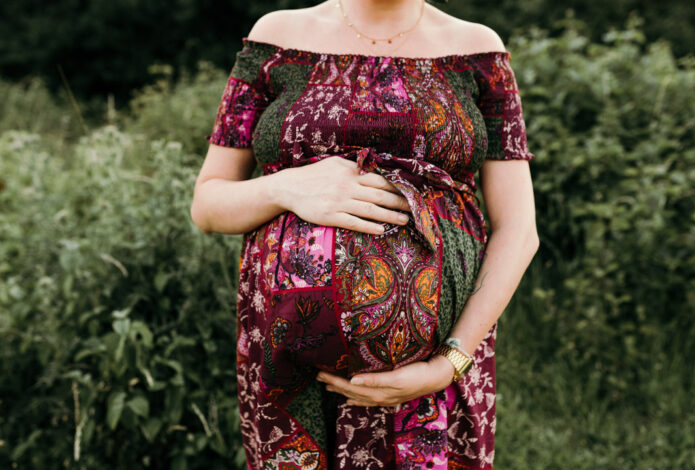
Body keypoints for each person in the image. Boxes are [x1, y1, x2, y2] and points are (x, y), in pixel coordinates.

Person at [190, 0, 539, 467]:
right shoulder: (276, 40)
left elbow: (519, 229)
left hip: (432, 376)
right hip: (292, 379)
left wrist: (448, 364)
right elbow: (208, 205)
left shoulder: (478, 53)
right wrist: (288, 186)